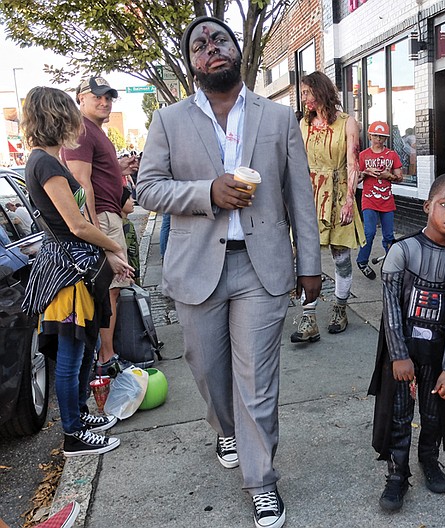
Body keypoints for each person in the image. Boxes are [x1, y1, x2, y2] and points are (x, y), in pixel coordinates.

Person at [136, 16, 321, 528]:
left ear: (239, 49)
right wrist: (206, 192)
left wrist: (311, 264)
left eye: (220, 39)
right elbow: (147, 189)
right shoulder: (168, 121)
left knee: (257, 381)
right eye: (199, 44)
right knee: (208, 372)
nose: (211, 48)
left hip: (261, 269)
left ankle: (262, 482)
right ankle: (224, 426)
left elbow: (299, 196)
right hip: (197, 268)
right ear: (191, 61)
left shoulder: (279, 117)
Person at [20, 86, 133, 457]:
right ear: (58, 116)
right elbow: (76, 224)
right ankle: (73, 433)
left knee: (83, 351)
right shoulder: (45, 164)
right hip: (67, 271)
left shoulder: (47, 161)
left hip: (75, 266)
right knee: (71, 354)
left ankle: (81, 419)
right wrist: (114, 248)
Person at [368, 173, 445, 512]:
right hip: (402, 354)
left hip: (438, 355)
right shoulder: (402, 252)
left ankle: (429, 459)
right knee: (399, 416)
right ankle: (397, 474)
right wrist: (398, 356)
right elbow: (390, 311)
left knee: (434, 415)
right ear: (427, 205)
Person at [62, 76, 139, 376]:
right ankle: (107, 359)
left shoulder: (95, 131)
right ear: (80, 99)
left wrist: (118, 168)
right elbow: (81, 183)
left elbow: (94, 173)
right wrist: (96, 231)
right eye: (97, 97)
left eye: (108, 97)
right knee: (110, 290)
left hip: (109, 216)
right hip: (103, 218)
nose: (104, 102)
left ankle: (108, 355)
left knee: (115, 289)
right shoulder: (82, 130)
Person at [291, 70, 365, 342]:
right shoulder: (304, 125)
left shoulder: (347, 123)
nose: (304, 98)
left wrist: (349, 200)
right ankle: (308, 316)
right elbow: (297, 163)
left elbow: (353, 163)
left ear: (322, 92)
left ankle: (340, 307)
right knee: (306, 256)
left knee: (341, 257)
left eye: (307, 92)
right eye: (302, 93)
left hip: (338, 194)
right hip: (310, 194)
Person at [356, 121, 403, 279]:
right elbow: (355, 180)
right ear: (369, 136)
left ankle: (391, 265)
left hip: (387, 200)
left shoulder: (392, 155)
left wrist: (387, 176)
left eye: (382, 136)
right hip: (369, 199)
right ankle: (362, 261)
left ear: (386, 138)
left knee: (389, 236)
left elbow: (400, 178)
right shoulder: (363, 155)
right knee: (369, 232)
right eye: (375, 135)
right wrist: (366, 172)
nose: (378, 139)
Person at [121, 187, 140, 286]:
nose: (133, 200)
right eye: (129, 198)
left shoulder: (122, 223)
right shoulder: (126, 225)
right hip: (131, 271)